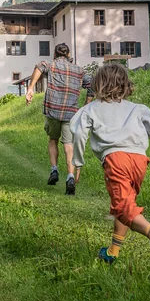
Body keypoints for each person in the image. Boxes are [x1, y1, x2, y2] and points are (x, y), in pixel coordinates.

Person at [70, 63, 150, 274]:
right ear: (126, 85)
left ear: (98, 85)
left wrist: (77, 162)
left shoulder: (90, 109)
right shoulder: (137, 108)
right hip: (140, 161)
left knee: (122, 205)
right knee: (126, 203)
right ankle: (112, 252)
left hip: (116, 160)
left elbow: (79, 134)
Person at [26, 43, 92, 195]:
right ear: (68, 55)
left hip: (53, 111)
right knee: (68, 145)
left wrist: (31, 88)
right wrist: (86, 105)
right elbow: (92, 85)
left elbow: (40, 66)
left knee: (53, 139)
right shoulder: (79, 70)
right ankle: (70, 176)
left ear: (55, 54)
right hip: (71, 113)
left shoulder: (51, 64)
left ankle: (54, 170)